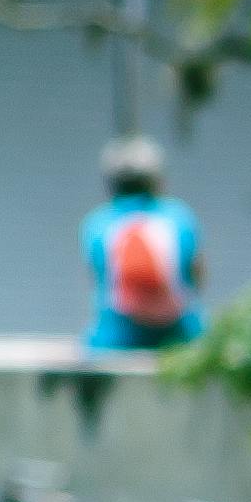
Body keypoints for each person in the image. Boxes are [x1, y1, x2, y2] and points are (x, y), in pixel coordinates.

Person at [82, 137, 205, 351]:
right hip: (180, 340)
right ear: (156, 179)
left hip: (116, 342)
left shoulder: (98, 223)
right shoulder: (179, 217)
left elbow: (99, 278)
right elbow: (197, 278)